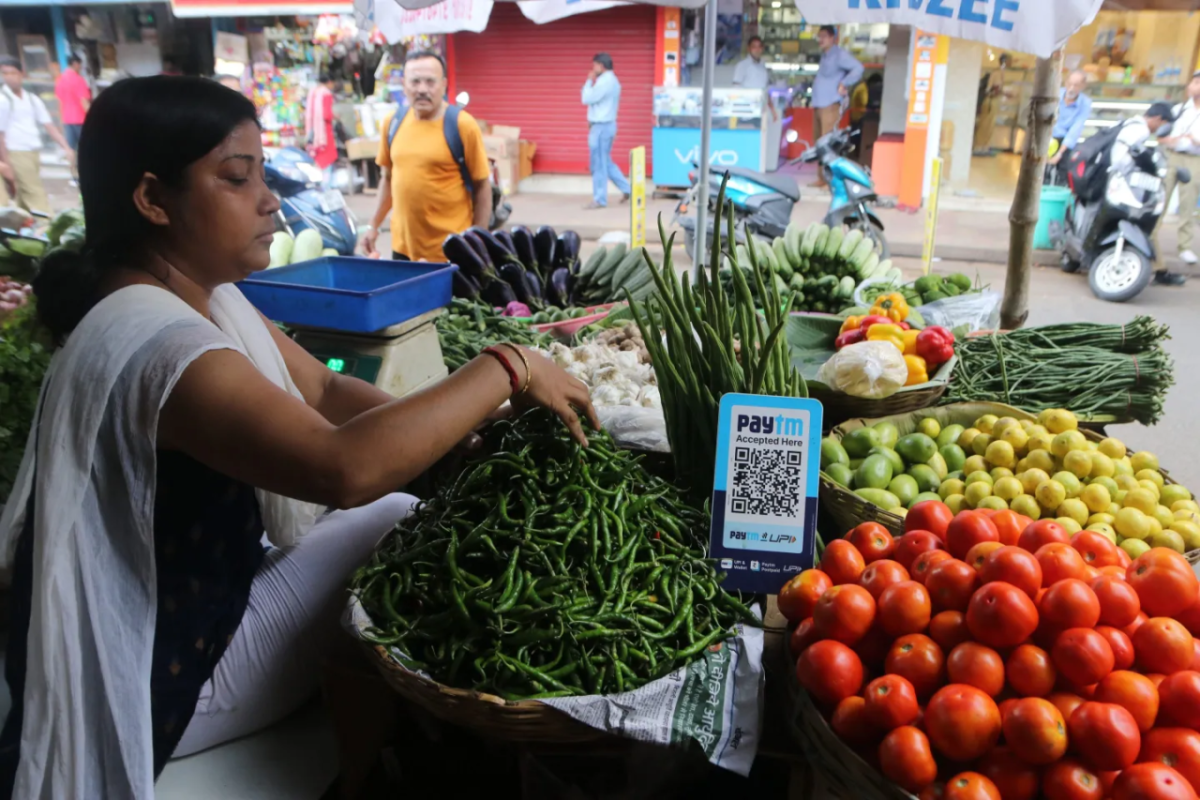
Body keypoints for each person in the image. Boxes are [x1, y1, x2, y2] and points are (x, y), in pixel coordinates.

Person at [0, 75, 596, 798]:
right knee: (397, 516)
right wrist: (506, 366)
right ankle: (396, 754)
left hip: (175, 612)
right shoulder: (160, 348)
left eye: (262, 174)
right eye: (235, 178)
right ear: (153, 199)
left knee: (394, 509)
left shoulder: (192, 298)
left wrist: (460, 432)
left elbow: (323, 389)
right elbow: (338, 467)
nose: (270, 201)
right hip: (161, 679)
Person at [362, 51, 491, 261]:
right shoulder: (392, 123)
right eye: (415, 81)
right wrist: (373, 225)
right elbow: (387, 178)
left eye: (430, 82)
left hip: (450, 251)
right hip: (403, 250)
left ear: (444, 84)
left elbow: (482, 186)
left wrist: (477, 240)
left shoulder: (462, 125)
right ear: (404, 84)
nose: (422, 89)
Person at [0, 56, 74, 213]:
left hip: (32, 151)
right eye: (5, 73)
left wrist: (66, 147)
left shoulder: (31, 99)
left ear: (21, 74)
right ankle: (48, 226)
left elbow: (49, 125)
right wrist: (6, 163)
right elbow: (1, 135)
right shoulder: (3, 100)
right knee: (35, 193)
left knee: (23, 194)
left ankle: (19, 228)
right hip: (16, 152)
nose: (9, 77)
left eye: (12, 73)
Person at [810, 25, 863, 188]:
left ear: (833, 38)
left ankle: (830, 179)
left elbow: (859, 68)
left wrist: (844, 83)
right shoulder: (825, 56)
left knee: (828, 143)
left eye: (824, 36)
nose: (821, 39)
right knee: (819, 143)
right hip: (819, 103)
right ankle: (821, 178)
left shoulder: (839, 54)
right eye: (819, 36)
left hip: (830, 104)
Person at [581, 53, 631, 210]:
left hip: (601, 127)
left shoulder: (604, 82)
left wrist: (589, 81)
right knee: (606, 162)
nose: (593, 68)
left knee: (598, 164)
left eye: (594, 65)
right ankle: (629, 189)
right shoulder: (611, 81)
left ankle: (600, 199)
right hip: (605, 125)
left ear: (601, 65)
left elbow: (586, 98)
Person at [1161, 72, 1200, 267]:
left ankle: (1184, 246)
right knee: (1161, 197)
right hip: (1173, 156)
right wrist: (1168, 140)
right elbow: (1164, 132)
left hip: (1194, 158)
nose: (1193, 87)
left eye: (1197, 83)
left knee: (1188, 202)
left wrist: (1194, 139)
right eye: (1193, 82)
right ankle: (1151, 237)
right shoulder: (1179, 109)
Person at [1048, 71, 1092, 180]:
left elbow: (1075, 129)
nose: (1071, 88)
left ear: (1083, 86)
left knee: (1064, 172)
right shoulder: (1055, 95)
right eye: (1069, 84)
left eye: (1076, 85)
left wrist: (1059, 154)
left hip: (1066, 141)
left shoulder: (1085, 103)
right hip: (1048, 137)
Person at [305, 73, 337, 188]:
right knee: (328, 159)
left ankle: (318, 186)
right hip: (324, 132)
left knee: (317, 159)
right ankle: (326, 187)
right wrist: (336, 116)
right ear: (329, 82)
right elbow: (327, 115)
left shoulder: (312, 92)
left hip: (313, 131)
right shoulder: (326, 94)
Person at [54, 54, 90, 153]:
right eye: (79, 65)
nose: (80, 68)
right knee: (86, 149)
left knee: (71, 149)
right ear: (75, 64)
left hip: (67, 121)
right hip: (81, 121)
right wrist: (94, 119)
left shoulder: (60, 79)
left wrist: (60, 122)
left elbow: (59, 102)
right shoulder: (79, 80)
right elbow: (84, 103)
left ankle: (72, 167)